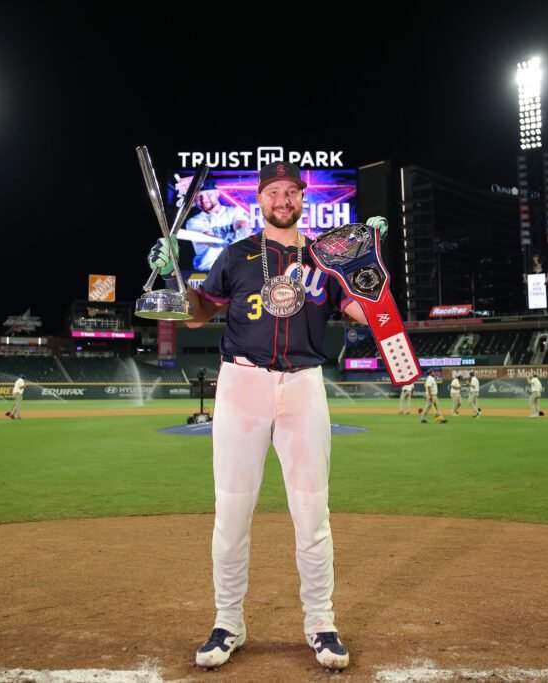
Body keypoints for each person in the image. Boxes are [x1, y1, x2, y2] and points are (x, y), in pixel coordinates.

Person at [148, 161, 389, 672]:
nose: (283, 199)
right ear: (261, 200)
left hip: (303, 385)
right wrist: (172, 272)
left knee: (312, 514)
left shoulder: (327, 259)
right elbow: (196, 313)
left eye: (291, 191)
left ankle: (321, 624)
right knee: (231, 513)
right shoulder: (235, 255)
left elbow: (366, 313)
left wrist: (371, 265)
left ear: (302, 197)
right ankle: (228, 622)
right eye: (274, 191)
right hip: (241, 384)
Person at [185, 177, 252, 272]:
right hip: (207, 273)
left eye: (208, 194)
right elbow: (209, 239)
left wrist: (240, 234)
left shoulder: (234, 211)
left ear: (217, 193)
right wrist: (223, 240)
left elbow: (242, 225)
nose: (204, 200)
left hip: (236, 271)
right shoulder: (193, 221)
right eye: (199, 196)